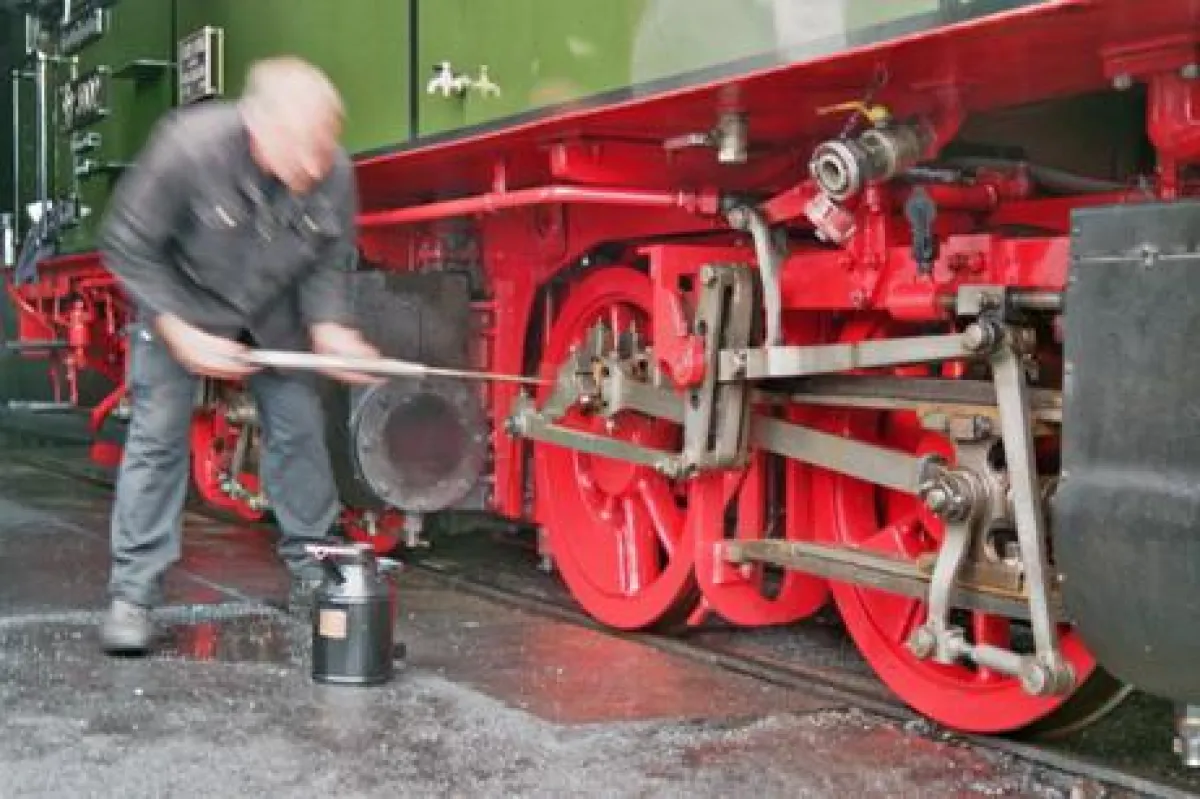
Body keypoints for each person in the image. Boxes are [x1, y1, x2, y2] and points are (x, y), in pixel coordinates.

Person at [96, 57, 381, 654]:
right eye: (301, 149)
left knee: (301, 429)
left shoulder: (333, 170)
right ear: (259, 130)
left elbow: (330, 259)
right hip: (179, 297)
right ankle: (134, 593)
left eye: (324, 148)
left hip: (270, 310)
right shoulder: (188, 149)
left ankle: (312, 571)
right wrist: (176, 327)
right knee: (157, 433)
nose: (314, 166)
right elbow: (126, 244)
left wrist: (330, 327)